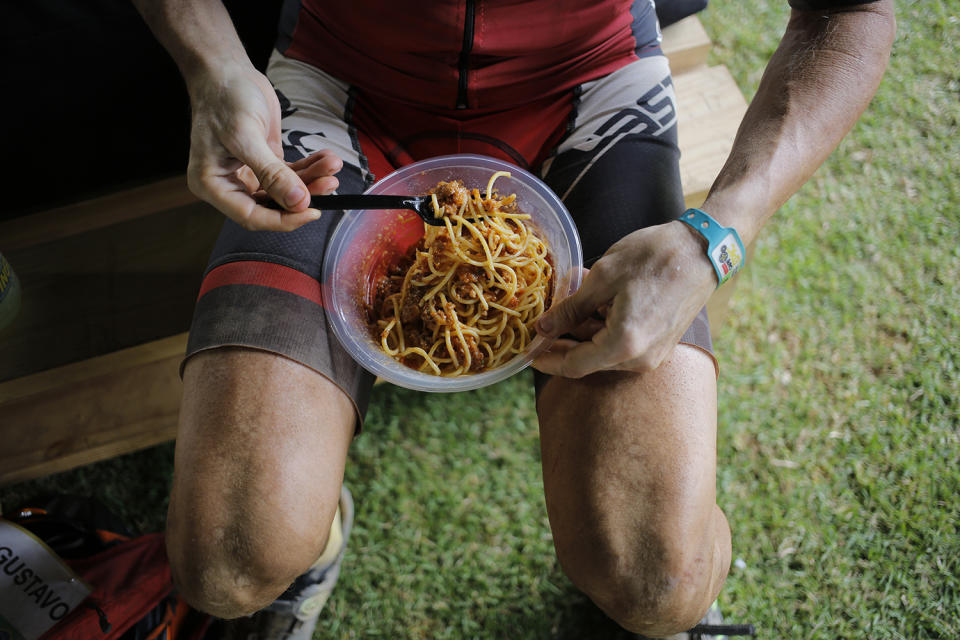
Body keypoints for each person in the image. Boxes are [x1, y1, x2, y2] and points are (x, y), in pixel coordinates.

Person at [132, 0, 895, 637]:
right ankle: (309, 536)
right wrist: (215, 67)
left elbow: (850, 12)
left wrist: (718, 232)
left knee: (659, 582)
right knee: (226, 562)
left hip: (594, 94)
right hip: (336, 87)